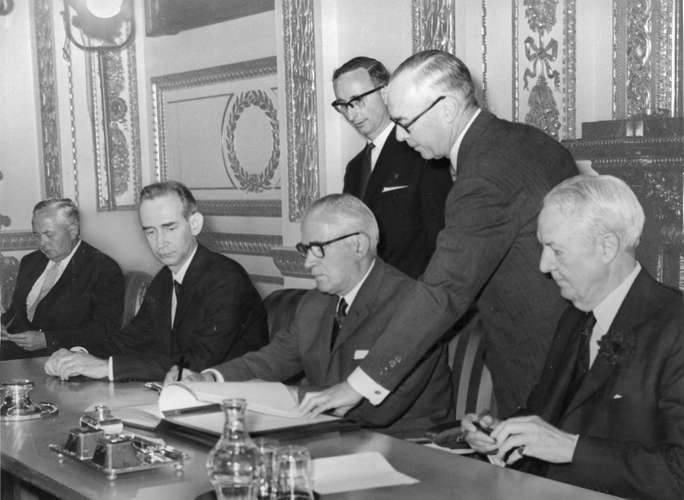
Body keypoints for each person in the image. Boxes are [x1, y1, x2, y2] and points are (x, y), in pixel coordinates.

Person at [300, 50, 578, 419]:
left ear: (446, 108)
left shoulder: (484, 175)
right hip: (568, 347)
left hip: (537, 357)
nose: (399, 135)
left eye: (404, 122)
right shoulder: (524, 141)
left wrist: (357, 386)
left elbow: (445, 289)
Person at [463, 174, 684, 500]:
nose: (543, 265)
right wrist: (501, 431)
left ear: (607, 246)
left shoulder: (676, 326)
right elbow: (548, 416)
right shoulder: (575, 316)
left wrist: (571, 449)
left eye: (556, 250)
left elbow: (678, 474)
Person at [168, 194, 452, 435]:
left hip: (407, 449)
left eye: (318, 249)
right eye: (305, 249)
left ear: (358, 245)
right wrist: (212, 379)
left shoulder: (411, 305)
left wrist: (286, 396)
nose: (306, 262)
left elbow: (376, 410)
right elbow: (273, 359)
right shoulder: (316, 303)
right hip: (337, 436)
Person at [44, 181, 268, 381]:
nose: (160, 242)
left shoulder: (226, 279)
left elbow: (197, 362)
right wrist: (78, 354)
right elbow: (130, 339)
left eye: (169, 228)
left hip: (234, 400)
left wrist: (106, 367)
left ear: (195, 224)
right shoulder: (165, 278)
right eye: (150, 232)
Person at [332, 56, 452, 278]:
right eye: (343, 105)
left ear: (385, 92)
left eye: (358, 100)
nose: (351, 114)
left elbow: (441, 238)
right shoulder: (354, 167)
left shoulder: (423, 152)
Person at [1, 198, 124, 359]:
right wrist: (3, 324)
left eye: (48, 235)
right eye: (37, 235)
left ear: (72, 230)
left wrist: (48, 340)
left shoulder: (102, 268)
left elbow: (104, 329)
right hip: (17, 353)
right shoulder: (30, 261)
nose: (42, 243)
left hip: (62, 356)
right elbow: (16, 311)